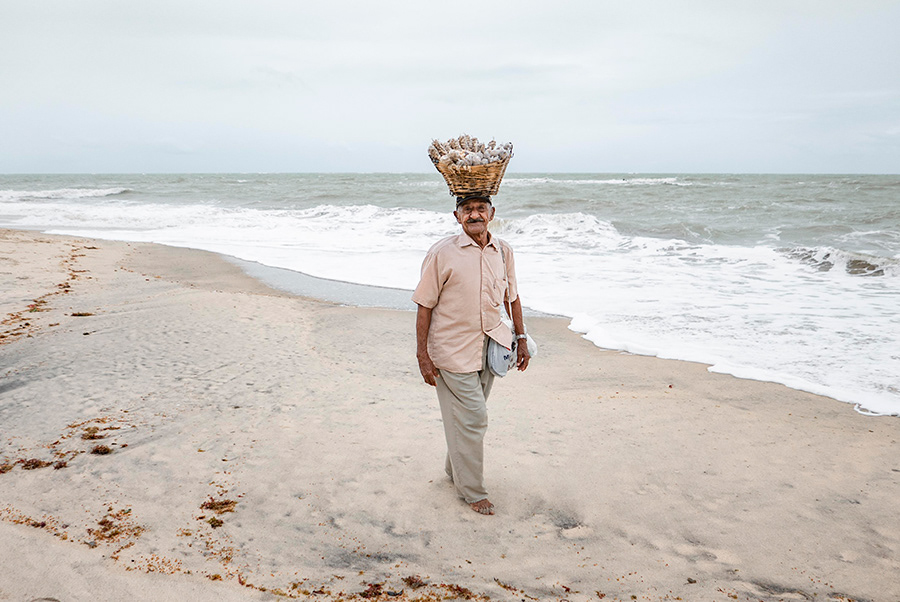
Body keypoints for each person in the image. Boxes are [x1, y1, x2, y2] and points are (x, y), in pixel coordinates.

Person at [412, 194, 530, 516]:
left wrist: (520, 338)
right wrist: (422, 354)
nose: (474, 215)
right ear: (457, 215)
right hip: (450, 351)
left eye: (480, 209)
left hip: (490, 349)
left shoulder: (503, 252)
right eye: (468, 210)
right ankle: (473, 491)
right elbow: (424, 305)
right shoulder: (442, 253)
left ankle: (455, 472)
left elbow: (513, 298)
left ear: (492, 213)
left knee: (465, 417)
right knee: (474, 418)